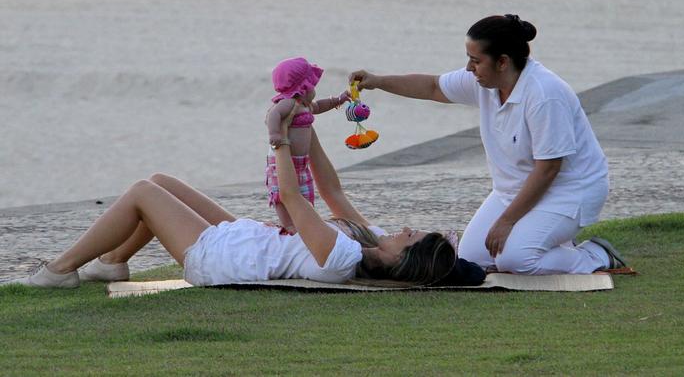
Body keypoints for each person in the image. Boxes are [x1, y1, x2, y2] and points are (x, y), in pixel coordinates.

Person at [6, 108, 458, 289]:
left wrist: (277, 137)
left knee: (144, 193)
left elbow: (289, 196)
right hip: (248, 238)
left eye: (410, 236)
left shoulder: (341, 256)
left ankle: (59, 271)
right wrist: (308, 127)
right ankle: (113, 262)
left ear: (402, 261)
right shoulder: (368, 238)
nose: (404, 228)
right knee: (161, 180)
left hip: (222, 259)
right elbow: (331, 190)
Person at [349, 14, 628, 275]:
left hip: (570, 192)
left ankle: (595, 254)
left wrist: (506, 221)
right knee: (472, 259)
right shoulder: (483, 81)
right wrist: (378, 81)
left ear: (503, 62)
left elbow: (549, 169)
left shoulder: (544, 94)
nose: (469, 68)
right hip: (514, 190)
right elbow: (433, 87)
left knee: (515, 260)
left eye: (475, 60)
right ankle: (551, 242)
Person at [265, 57, 349, 232]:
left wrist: (338, 100)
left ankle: (304, 219)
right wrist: (274, 133)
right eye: (312, 86)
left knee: (304, 190)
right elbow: (273, 115)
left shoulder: (306, 105)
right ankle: (288, 224)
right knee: (281, 193)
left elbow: (321, 105)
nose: (314, 90)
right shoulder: (288, 104)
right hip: (285, 162)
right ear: (302, 88)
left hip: (301, 162)